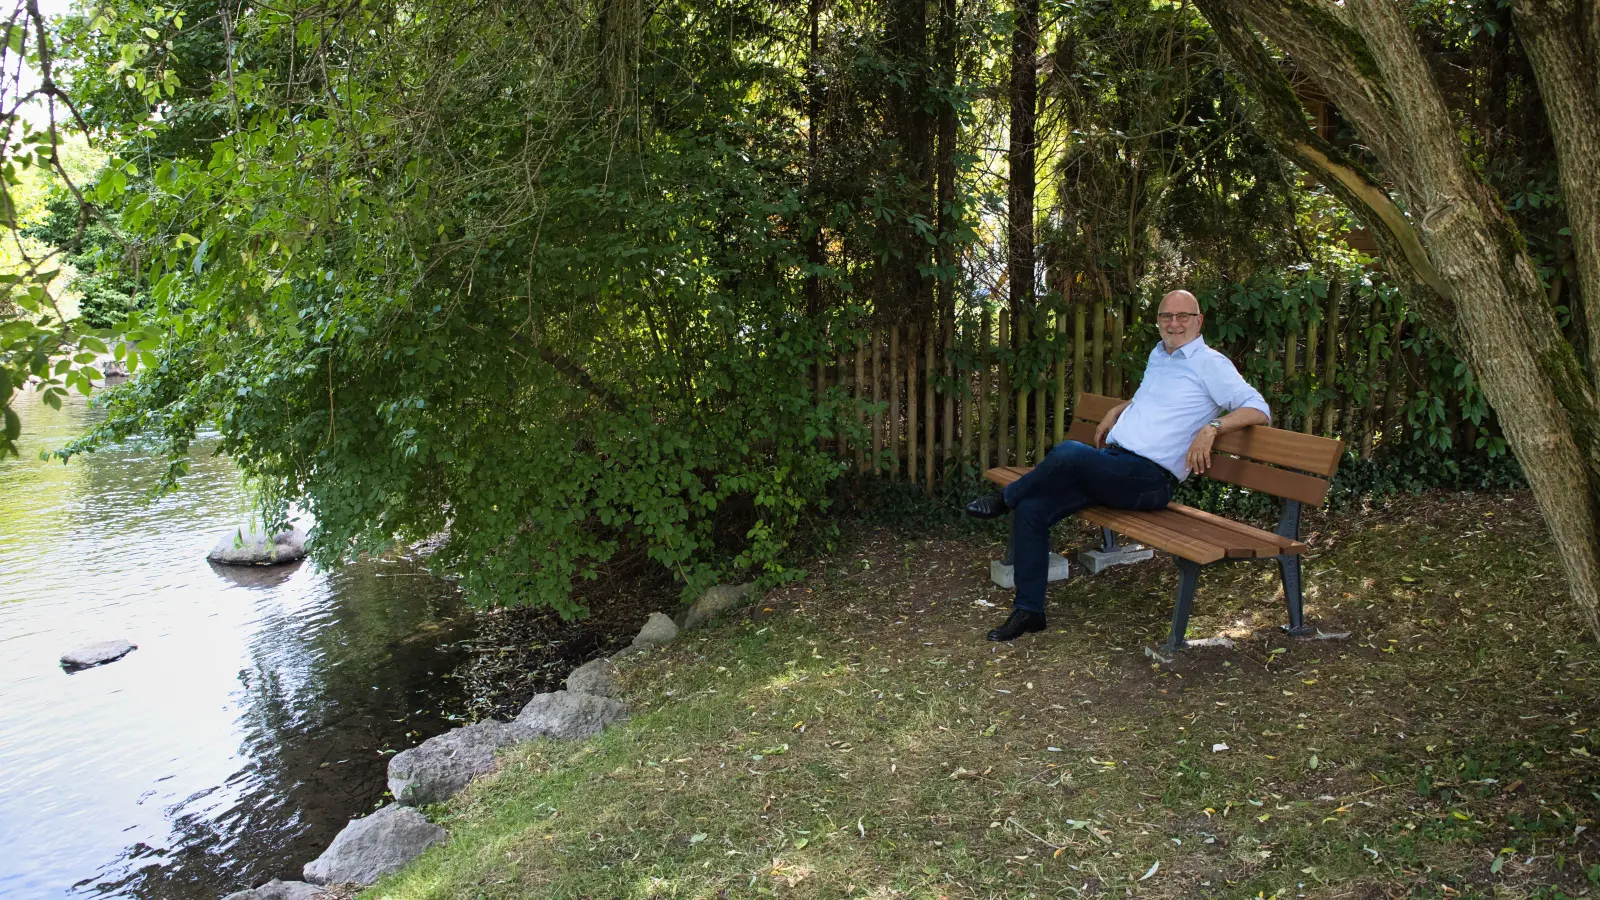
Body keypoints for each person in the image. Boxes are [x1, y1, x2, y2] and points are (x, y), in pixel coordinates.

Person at [966, 289, 1270, 641]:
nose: (1174, 323)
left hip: (1149, 478)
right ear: (1158, 322)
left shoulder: (1211, 364)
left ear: (1199, 320)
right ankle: (1029, 611)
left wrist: (1212, 427)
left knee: (1068, 452)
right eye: (1166, 316)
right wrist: (1119, 408)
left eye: (1183, 316)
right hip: (1115, 466)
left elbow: (1258, 408)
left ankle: (1005, 499)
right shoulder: (1161, 356)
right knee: (1033, 509)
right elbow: (1158, 399)